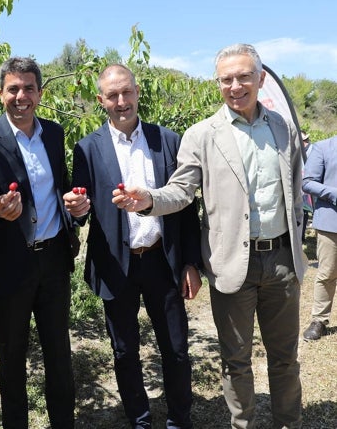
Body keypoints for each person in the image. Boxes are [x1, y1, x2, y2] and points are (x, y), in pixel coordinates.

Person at [120, 44, 305, 428]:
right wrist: (149, 200)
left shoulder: (283, 128)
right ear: (217, 83)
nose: (235, 86)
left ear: (261, 79)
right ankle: (243, 424)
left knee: (285, 357)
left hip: (283, 261)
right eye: (226, 79)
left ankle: (289, 422)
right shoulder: (202, 135)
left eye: (243, 76)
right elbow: (182, 190)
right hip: (232, 264)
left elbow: (296, 185)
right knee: (236, 360)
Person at [64, 64, 202, 428]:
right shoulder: (87, 149)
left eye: (127, 92)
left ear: (138, 92)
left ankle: (179, 420)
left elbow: (187, 208)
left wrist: (190, 262)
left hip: (162, 260)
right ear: (101, 100)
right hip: (116, 263)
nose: (121, 101)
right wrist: (77, 210)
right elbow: (81, 208)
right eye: (112, 95)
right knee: (125, 352)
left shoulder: (168, 141)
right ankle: (140, 420)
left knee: (175, 349)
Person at [0, 56, 89, 428]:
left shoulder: (53, 132)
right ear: (1, 92)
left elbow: (61, 188)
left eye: (29, 88)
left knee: (58, 353)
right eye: (13, 88)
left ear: (40, 92)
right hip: (8, 264)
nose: (21, 96)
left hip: (52, 261)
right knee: (12, 357)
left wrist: (76, 209)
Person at [301, 135, 337, 341]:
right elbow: (308, 183)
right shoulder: (323, 148)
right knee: (327, 272)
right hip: (331, 222)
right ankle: (319, 320)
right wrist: (334, 193)